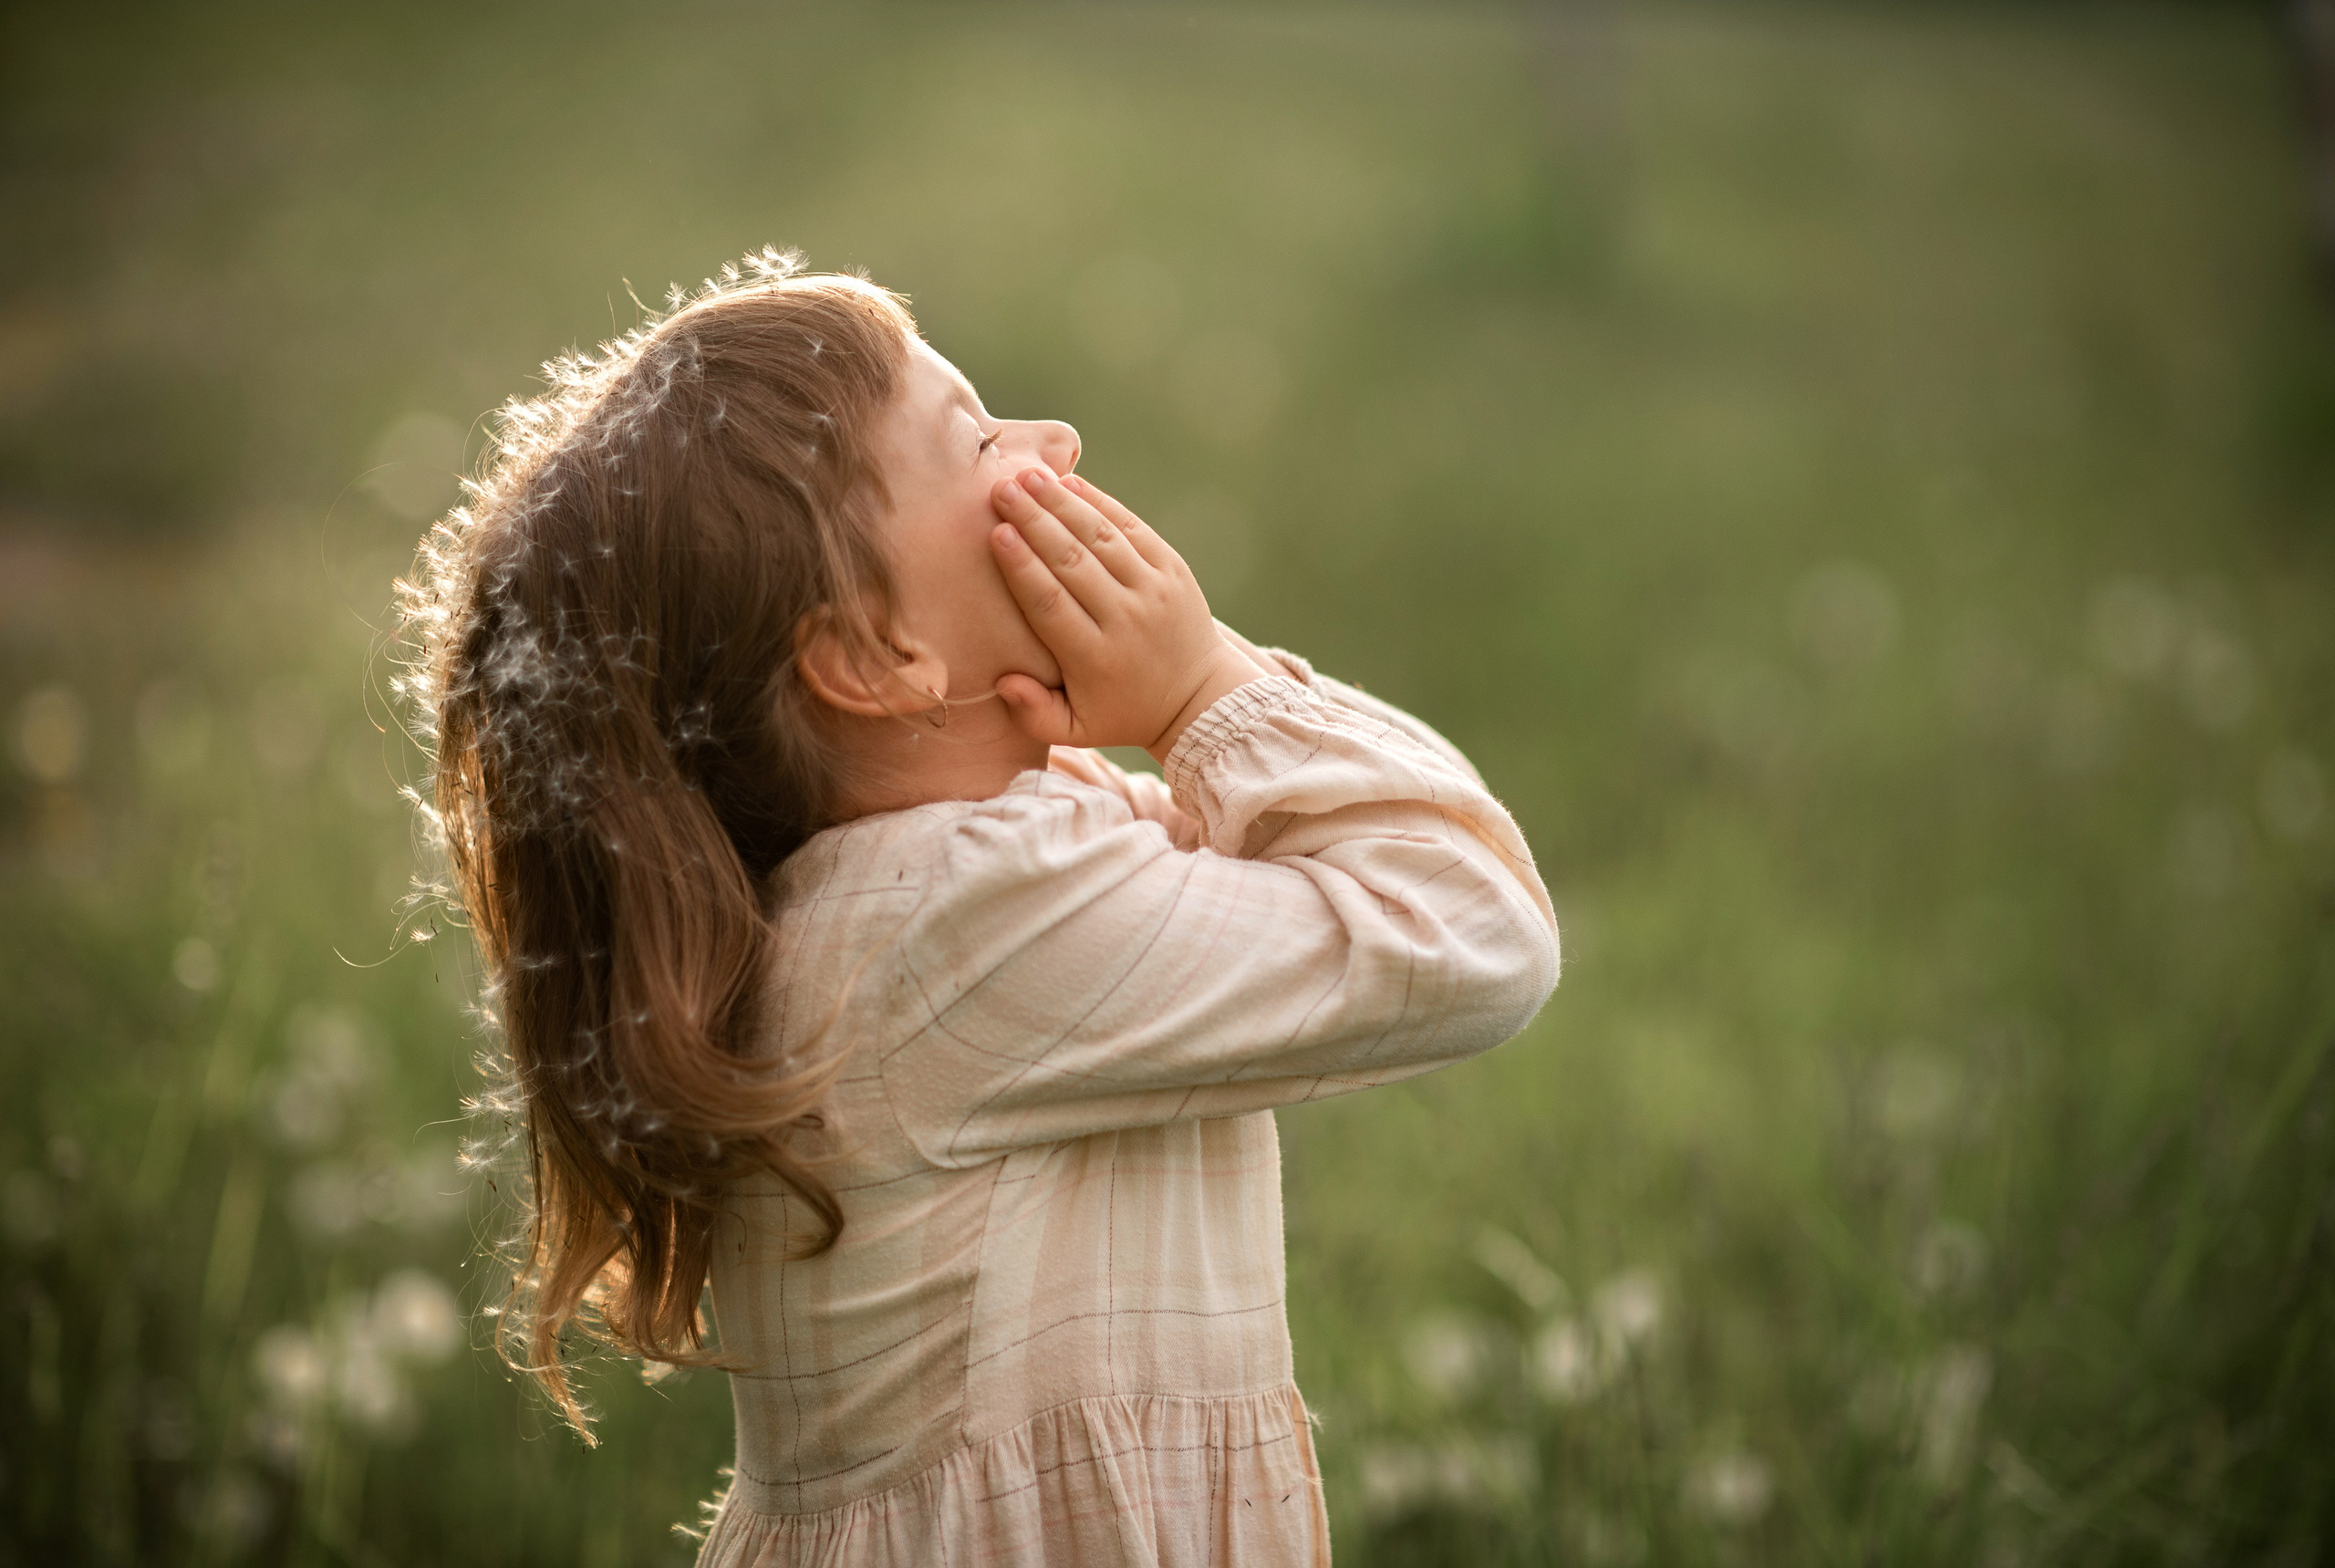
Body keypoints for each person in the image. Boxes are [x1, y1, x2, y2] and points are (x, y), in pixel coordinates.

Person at [407, 249, 1559, 1566]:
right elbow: (1475, 933)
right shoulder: (966, 924)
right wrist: (1202, 695)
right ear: (873, 655)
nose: (1057, 440)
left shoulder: (904, 897)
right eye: (979, 437)